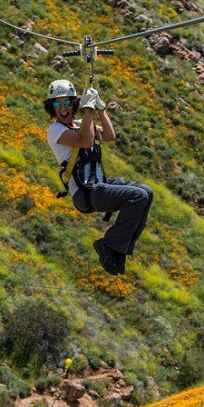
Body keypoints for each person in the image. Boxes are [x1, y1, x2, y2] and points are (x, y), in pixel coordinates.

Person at [45, 80, 153, 276]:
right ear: (51, 107)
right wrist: (88, 110)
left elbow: (110, 135)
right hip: (86, 193)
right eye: (57, 104)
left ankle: (119, 251)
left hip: (98, 185)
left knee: (147, 192)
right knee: (138, 197)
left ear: (73, 104)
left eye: (67, 103)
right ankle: (109, 245)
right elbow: (84, 141)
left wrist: (100, 109)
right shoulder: (55, 131)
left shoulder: (80, 124)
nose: (63, 109)